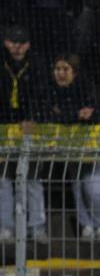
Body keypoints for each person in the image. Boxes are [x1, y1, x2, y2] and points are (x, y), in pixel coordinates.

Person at [42, 53, 100, 240]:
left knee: (92, 187)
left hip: (94, 147)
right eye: (57, 69)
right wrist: (76, 115)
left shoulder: (88, 88)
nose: (60, 73)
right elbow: (52, 117)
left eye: (65, 69)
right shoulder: (51, 91)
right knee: (77, 187)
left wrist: (68, 115)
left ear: (75, 72)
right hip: (71, 147)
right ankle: (86, 225)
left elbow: (99, 115)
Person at [0, 25, 47, 242]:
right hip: (4, 129)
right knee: (3, 179)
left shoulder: (36, 65)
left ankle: (36, 227)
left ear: (28, 45)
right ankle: (6, 228)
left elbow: (41, 95)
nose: (17, 48)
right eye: (13, 43)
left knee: (32, 178)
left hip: (30, 128)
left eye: (21, 43)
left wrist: (33, 116)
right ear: (6, 43)